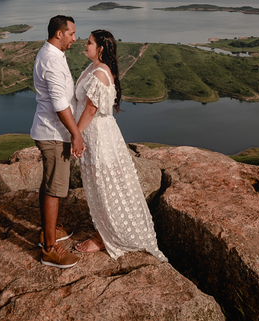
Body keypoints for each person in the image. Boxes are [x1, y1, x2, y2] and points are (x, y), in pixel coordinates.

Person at [71, 29, 167, 261]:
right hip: (96, 135)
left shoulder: (101, 73)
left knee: (105, 186)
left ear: (100, 49)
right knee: (99, 184)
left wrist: (77, 135)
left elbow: (91, 110)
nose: (85, 44)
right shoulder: (93, 68)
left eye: (90, 42)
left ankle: (106, 237)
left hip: (99, 137)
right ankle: (103, 231)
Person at [30, 14, 84, 268]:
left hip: (50, 131)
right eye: (72, 33)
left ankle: (48, 232)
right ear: (59, 33)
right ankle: (50, 249)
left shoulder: (53, 54)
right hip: (54, 134)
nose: (75, 38)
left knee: (49, 183)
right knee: (54, 188)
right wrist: (76, 133)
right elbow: (60, 104)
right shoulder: (51, 60)